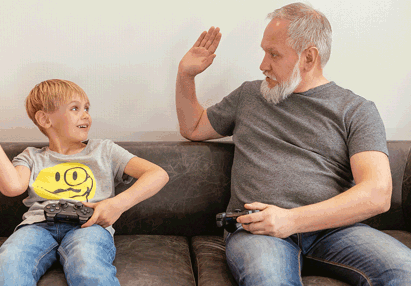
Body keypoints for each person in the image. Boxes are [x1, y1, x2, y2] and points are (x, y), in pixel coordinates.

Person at [176, 2, 411, 285]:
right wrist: (185, 75)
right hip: (259, 230)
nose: (263, 65)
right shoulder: (249, 96)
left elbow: (377, 193)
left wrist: (292, 220)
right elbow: (194, 127)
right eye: (264, 51)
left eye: (274, 54)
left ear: (309, 58)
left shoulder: (356, 110)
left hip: (335, 230)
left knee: (405, 271)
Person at [0, 79, 169, 285]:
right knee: (9, 262)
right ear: (44, 119)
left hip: (88, 226)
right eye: (75, 108)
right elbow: (12, 186)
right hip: (37, 226)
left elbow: (157, 174)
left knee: (88, 263)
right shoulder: (31, 156)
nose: (86, 115)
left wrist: (117, 204)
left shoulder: (104, 150)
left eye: (87, 108)